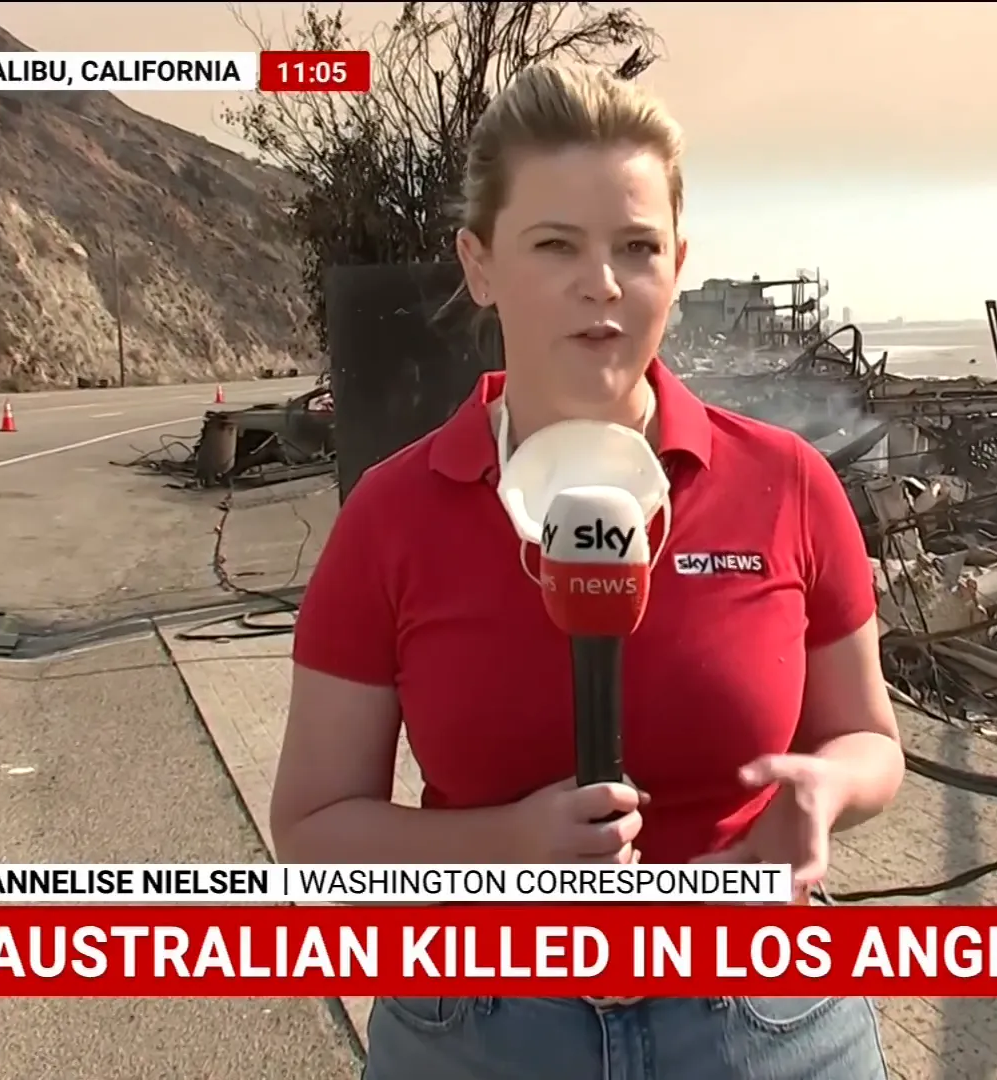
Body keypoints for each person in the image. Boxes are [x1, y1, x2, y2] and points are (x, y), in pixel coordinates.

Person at [274, 60, 903, 1080]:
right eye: (556, 245)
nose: (601, 283)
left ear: (679, 263)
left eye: (636, 247)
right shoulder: (390, 518)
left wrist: (824, 788)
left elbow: (871, 738)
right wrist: (510, 844)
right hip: (477, 1025)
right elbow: (312, 827)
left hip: (767, 1018)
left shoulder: (787, 484)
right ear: (479, 264)